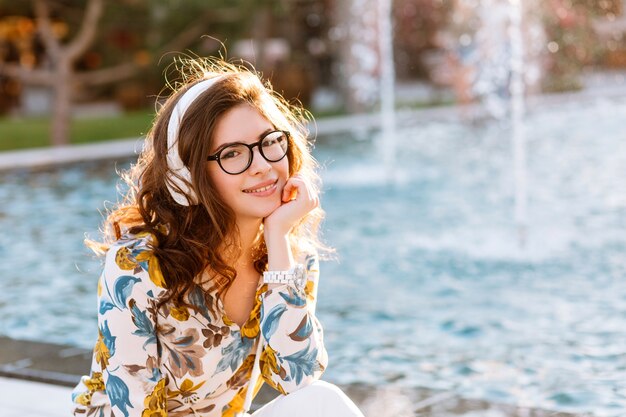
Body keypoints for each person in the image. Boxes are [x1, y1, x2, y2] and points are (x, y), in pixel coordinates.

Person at [71, 57, 365, 417]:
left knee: (323, 402)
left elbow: (296, 376)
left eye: (269, 142)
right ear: (188, 177)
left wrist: (277, 242)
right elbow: (134, 409)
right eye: (233, 154)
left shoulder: (288, 255)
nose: (262, 165)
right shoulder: (139, 265)